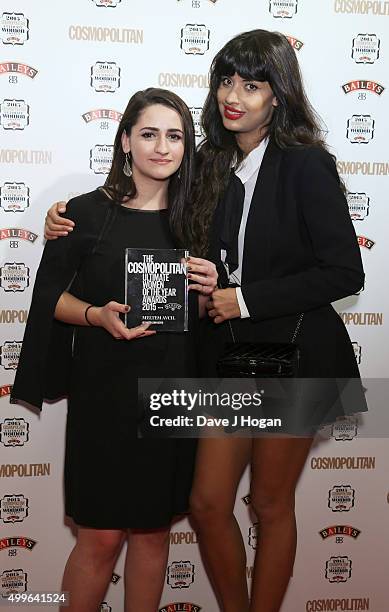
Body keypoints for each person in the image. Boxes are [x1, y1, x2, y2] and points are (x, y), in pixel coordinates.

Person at [43, 31, 366, 612]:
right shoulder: (213, 166)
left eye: (252, 85)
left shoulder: (305, 164)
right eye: (225, 81)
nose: (233, 96)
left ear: (279, 95)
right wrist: (64, 217)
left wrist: (241, 298)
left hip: (295, 352)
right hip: (229, 358)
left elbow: (345, 272)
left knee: (269, 504)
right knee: (208, 503)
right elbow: (152, 224)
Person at [11, 88, 217, 612]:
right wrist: (97, 315)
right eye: (148, 134)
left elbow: (216, 313)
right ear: (125, 140)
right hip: (104, 396)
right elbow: (49, 299)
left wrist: (214, 284)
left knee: (152, 536)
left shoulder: (201, 221)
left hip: (172, 396)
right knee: (100, 538)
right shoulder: (82, 214)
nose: (162, 147)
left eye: (175, 136)